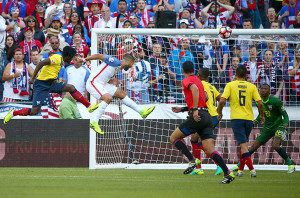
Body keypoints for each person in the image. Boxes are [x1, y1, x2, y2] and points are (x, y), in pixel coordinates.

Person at [170, 61, 235, 184]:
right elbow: (204, 97)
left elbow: (194, 90)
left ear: (182, 70)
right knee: (210, 150)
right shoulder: (199, 81)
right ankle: (228, 172)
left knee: (174, 138)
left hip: (198, 115)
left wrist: (194, 110)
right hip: (207, 116)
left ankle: (192, 160)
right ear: (194, 70)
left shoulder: (187, 80)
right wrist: (184, 108)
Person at [3, 46, 99, 124]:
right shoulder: (57, 58)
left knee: (71, 87)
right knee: (34, 111)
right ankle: (13, 113)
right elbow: (42, 63)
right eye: (72, 57)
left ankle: (89, 106)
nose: (73, 59)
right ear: (68, 56)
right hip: (41, 84)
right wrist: (33, 78)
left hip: (52, 83)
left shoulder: (62, 60)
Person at [78, 53, 155, 134]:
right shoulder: (114, 61)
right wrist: (84, 60)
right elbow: (98, 55)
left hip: (102, 84)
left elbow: (104, 75)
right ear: (128, 61)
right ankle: (94, 122)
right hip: (93, 83)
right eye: (131, 64)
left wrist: (113, 81)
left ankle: (142, 112)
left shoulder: (118, 67)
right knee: (108, 98)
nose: (131, 66)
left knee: (121, 93)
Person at [231, 84, 295, 175]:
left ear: (269, 91)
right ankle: (239, 166)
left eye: (265, 89)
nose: (263, 90)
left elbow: (285, 115)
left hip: (278, 126)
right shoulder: (258, 102)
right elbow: (261, 115)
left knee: (275, 145)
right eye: (262, 88)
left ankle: (290, 164)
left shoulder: (275, 101)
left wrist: (285, 127)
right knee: (252, 148)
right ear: (259, 91)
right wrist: (254, 122)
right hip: (267, 128)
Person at [217, 65, 265, 177]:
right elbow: (260, 103)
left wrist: (219, 112)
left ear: (236, 75)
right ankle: (240, 170)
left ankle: (252, 170)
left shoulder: (230, 85)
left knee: (243, 145)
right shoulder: (251, 86)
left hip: (237, 118)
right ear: (246, 75)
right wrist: (262, 116)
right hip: (249, 119)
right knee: (243, 143)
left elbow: (222, 100)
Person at [188, 68, 221, 175]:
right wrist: (219, 111)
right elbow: (220, 99)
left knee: (202, 143)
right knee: (194, 139)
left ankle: (219, 165)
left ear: (198, 74)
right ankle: (198, 168)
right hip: (214, 116)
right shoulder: (212, 86)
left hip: (207, 116)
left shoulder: (199, 84)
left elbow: (205, 97)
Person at [60, 53, 90, 119]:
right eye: (76, 59)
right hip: (69, 97)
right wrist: (63, 93)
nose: (77, 61)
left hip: (80, 97)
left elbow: (87, 84)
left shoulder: (86, 71)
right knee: (69, 116)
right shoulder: (67, 69)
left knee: (81, 117)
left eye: (79, 60)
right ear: (73, 60)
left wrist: (85, 95)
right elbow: (64, 82)